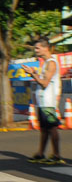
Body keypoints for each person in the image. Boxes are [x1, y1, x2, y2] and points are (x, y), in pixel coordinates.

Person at [28, 37, 64, 165]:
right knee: (44, 128)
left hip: (48, 102)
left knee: (52, 128)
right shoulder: (46, 63)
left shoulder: (51, 63)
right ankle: (40, 153)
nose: (36, 50)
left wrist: (33, 74)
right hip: (43, 102)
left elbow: (44, 83)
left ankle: (56, 155)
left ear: (45, 48)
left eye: (38, 48)